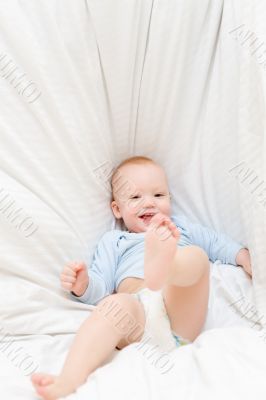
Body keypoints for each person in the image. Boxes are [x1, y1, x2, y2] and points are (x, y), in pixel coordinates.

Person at [31, 155, 252, 399]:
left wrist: (243, 257)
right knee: (112, 305)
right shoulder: (114, 241)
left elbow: (216, 243)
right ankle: (68, 380)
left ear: (170, 199)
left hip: (179, 317)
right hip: (138, 317)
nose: (149, 203)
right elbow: (101, 286)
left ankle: (167, 266)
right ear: (117, 209)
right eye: (135, 197)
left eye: (158, 196)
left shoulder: (180, 228)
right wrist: (83, 284)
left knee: (197, 258)